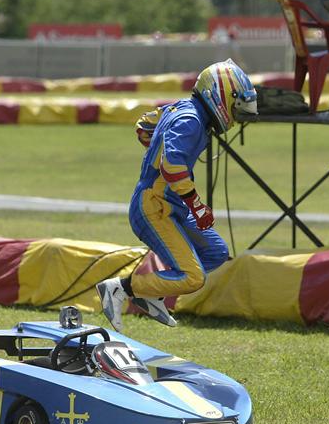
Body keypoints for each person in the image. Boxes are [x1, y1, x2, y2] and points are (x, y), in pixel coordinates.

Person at [96, 59, 258, 331]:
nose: (235, 115)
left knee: (216, 252)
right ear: (219, 96)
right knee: (194, 278)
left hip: (171, 203)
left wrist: (157, 142)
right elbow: (172, 166)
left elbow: (144, 125)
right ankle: (120, 288)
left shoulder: (185, 109)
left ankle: (154, 293)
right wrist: (198, 206)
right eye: (235, 106)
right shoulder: (191, 120)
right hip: (154, 207)